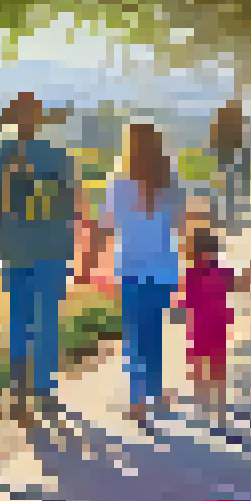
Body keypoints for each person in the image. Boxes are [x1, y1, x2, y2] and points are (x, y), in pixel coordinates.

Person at [0, 92, 82, 423]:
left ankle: (19, 393)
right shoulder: (60, 156)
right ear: (39, 122)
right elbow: (75, 205)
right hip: (52, 248)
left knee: (20, 320)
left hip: (14, 249)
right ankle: (45, 392)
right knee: (48, 321)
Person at [91, 121, 187, 426]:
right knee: (153, 333)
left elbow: (105, 227)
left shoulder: (118, 183)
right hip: (162, 269)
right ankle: (156, 395)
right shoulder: (171, 183)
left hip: (131, 269)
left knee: (134, 336)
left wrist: (87, 262)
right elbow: (182, 228)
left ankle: (137, 401)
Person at [179, 218, 242, 428]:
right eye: (206, 252)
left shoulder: (209, 272)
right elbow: (186, 300)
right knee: (201, 366)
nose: (208, 256)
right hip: (203, 328)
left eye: (210, 252)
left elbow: (234, 284)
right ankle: (204, 405)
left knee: (215, 368)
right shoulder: (196, 273)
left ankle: (218, 408)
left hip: (213, 327)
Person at [210, 100, 248, 235]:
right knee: (229, 194)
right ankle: (229, 224)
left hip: (228, 162)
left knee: (228, 194)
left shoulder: (224, 128)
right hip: (228, 161)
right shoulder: (230, 128)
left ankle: (228, 224)